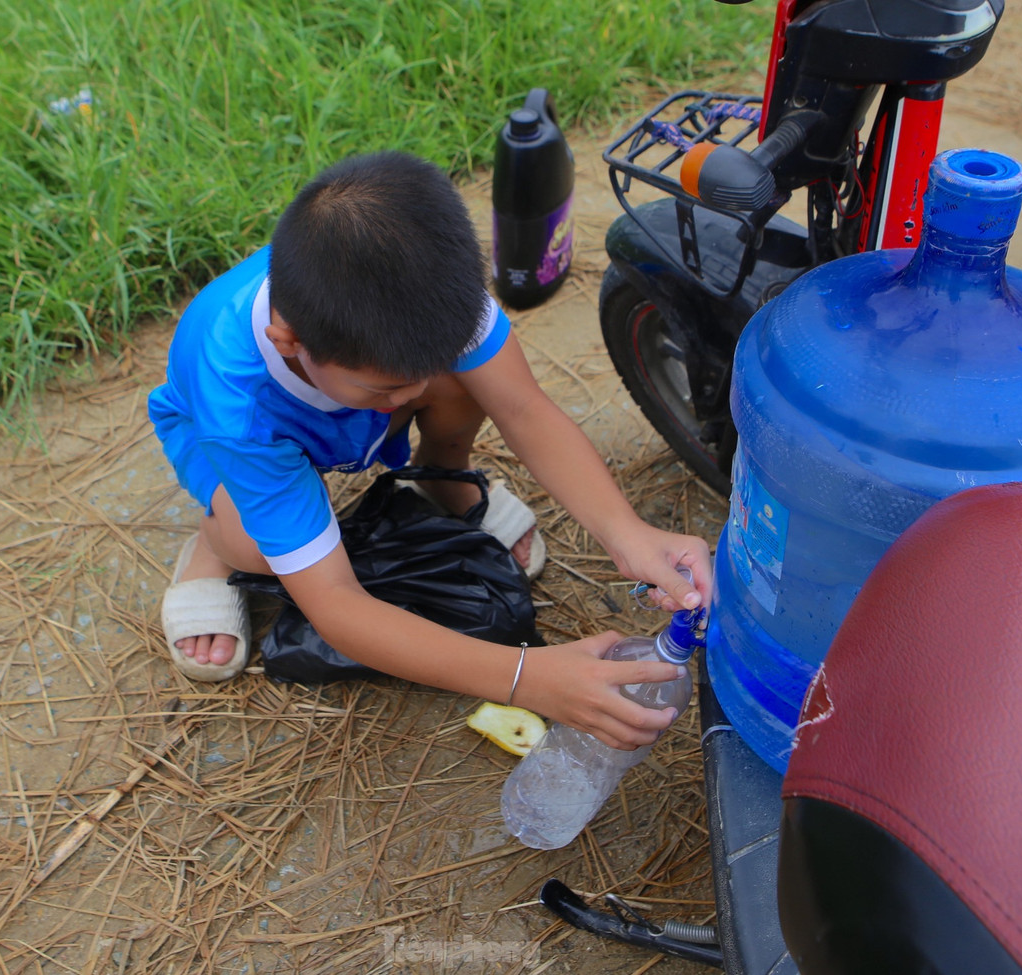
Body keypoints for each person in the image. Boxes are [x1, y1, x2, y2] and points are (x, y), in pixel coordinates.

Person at [149, 151, 712, 750]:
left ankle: (445, 479)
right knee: (251, 543)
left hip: (338, 401)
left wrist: (627, 533)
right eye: (387, 387)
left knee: (463, 378)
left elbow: (523, 408)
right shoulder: (237, 405)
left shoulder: (434, 295)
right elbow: (336, 604)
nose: (410, 397)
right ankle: (210, 547)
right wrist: (527, 677)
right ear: (287, 341)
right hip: (237, 439)